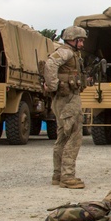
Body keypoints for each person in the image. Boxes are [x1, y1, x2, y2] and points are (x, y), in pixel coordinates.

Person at [44, 26, 87, 189]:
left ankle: (58, 174)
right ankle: (67, 176)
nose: (82, 44)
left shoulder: (72, 54)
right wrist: (53, 85)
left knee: (63, 136)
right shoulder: (66, 52)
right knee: (74, 136)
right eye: (80, 40)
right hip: (67, 98)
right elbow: (50, 64)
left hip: (67, 97)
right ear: (72, 39)